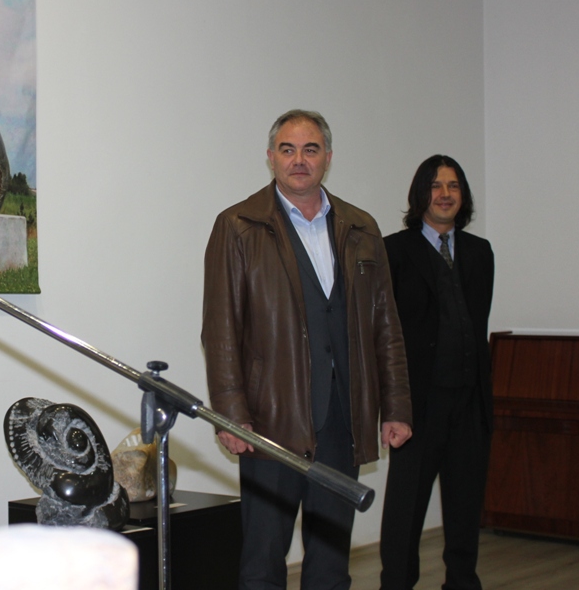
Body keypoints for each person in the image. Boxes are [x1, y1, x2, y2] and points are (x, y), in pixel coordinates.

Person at [202, 109, 413, 590]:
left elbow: (387, 325)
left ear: (328, 158)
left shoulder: (361, 228)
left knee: (331, 565)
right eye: (288, 149)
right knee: (262, 562)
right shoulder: (238, 226)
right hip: (269, 422)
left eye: (310, 149)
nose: (299, 160)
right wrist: (232, 416)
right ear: (271, 157)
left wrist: (397, 406)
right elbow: (220, 329)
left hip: (343, 420)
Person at [378, 156, 494, 590]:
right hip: (418, 405)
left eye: (453, 185)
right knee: (405, 510)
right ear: (420, 194)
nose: (445, 194)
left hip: (469, 402)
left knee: (465, 507)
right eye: (436, 185)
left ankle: (462, 582)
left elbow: (476, 323)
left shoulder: (480, 252)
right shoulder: (394, 251)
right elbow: (383, 331)